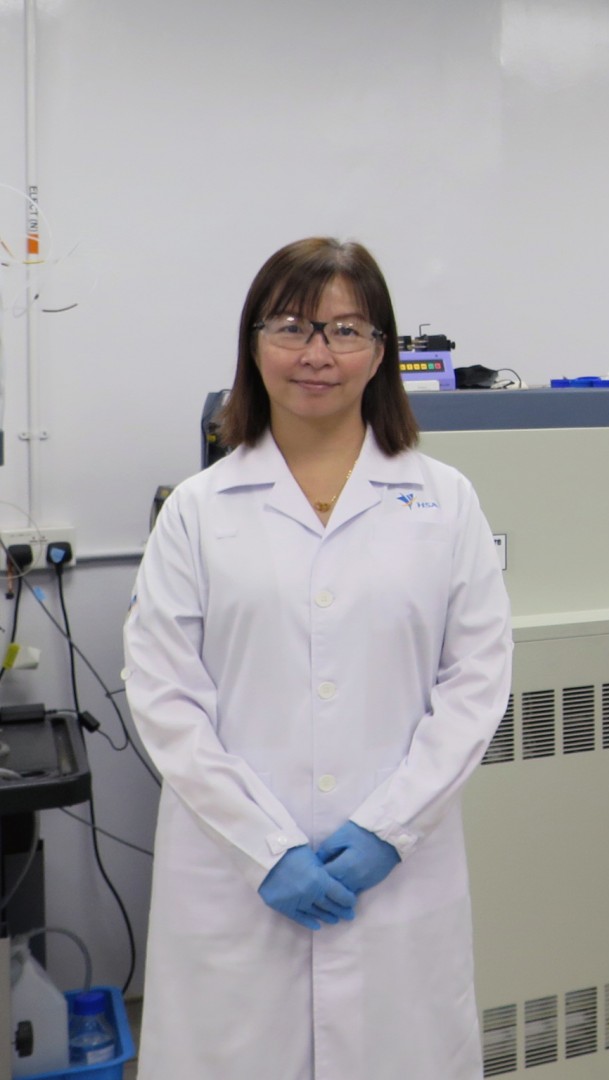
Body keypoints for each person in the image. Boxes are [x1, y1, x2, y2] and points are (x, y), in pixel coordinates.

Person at [124, 238, 513, 1078]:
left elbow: (476, 684)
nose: (316, 355)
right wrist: (266, 848)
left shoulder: (444, 502)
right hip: (233, 879)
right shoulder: (199, 510)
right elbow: (164, 698)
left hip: (396, 873)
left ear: (381, 352)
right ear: (253, 344)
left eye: (345, 331)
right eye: (292, 327)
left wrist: (386, 827)